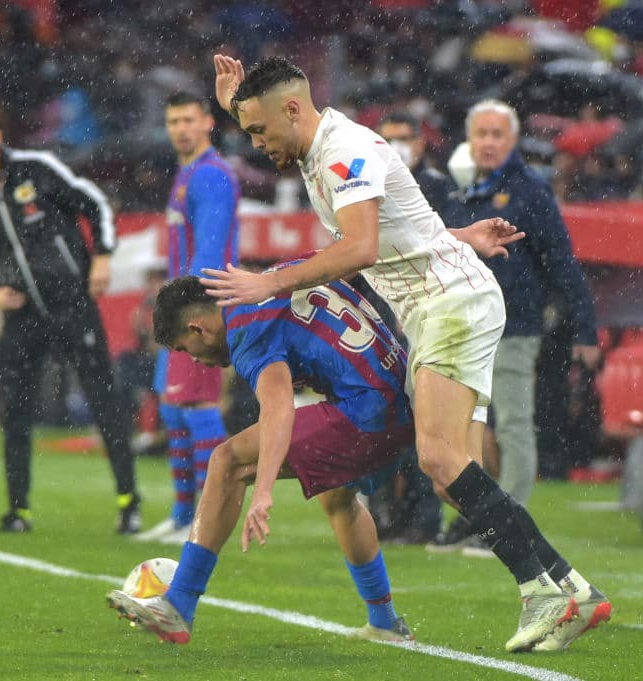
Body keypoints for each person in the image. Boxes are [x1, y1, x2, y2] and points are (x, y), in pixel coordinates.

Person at [200, 55, 609, 652]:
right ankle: (570, 587)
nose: (256, 143)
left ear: (292, 109)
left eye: (259, 131)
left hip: (450, 304)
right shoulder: (313, 144)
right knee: (450, 473)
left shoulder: (342, 153)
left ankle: (544, 594)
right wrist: (234, 104)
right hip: (445, 297)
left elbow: (362, 247)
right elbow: (398, 227)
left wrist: (270, 282)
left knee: (439, 459)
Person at [107, 271, 414, 644]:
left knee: (227, 461)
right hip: (403, 400)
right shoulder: (275, 278)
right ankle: (384, 621)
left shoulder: (245, 328)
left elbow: (278, 406)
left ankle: (179, 603)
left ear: (197, 327)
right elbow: (361, 259)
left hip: (367, 410)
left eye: (186, 349)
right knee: (339, 498)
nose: (197, 362)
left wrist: (264, 488)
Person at [0, 109, 141, 534]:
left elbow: (93, 204)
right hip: (22, 316)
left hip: (72, 304)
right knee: (16, 410)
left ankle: (129, 502)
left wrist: (103, 258)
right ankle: (19, 510)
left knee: (104, 401)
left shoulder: (37, 169)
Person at [435, 100, 600, 553]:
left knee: (510, 424)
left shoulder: (529, 190)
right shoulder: (461, 186)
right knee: (465, 424)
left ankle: (511, 525)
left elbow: (562, 261)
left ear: (512, 140)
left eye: (497, 134)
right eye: (481, 134)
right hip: (460, 323)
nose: (488, 142)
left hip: (512, 324)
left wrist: (586, 328)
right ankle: (482, 516)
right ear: (471, 138)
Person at [137, 92, 240, 545]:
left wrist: (192, 312)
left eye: (188, 120)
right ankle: (182, 514)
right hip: (182, 309)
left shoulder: (212, 177)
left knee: (196, 407)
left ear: (207, 124)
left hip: (197, 313)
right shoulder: (188, 174)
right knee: (174, 409)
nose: (180, 128)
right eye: (173, 120)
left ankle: (205, 518)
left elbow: (211, 253)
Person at [365, 111, 455, 545]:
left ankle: (425, 516)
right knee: (393, 416)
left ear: (420, 143)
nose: (396, 146)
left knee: (426, 418)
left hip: (427, 311)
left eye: (403, 137)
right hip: (386, 312)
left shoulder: (438, 189)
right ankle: (392, 511)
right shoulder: (369, 188)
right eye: (388, 138)